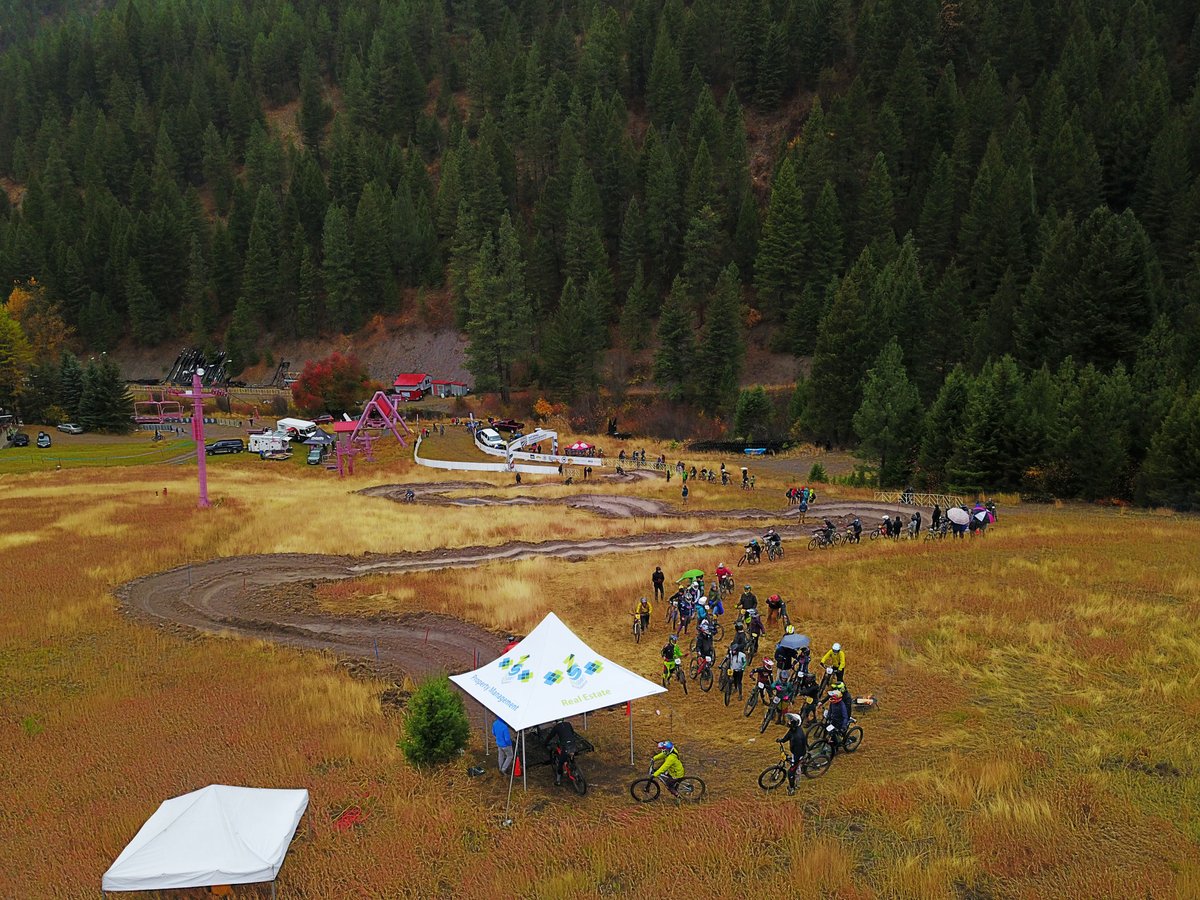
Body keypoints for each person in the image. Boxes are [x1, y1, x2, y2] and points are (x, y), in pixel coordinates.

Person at [777, 712, 809, 795]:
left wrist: (794, 763)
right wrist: (782, 740)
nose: (789, 722)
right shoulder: (793, 729)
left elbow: (798, 753)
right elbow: (789, 735)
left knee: (791, 772)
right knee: (795, 767)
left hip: (798, 754)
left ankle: (792, 787)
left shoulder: (798, 737)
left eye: (791, 721)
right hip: (795, 752)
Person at [545, 719, 579, 785]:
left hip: (566, 747)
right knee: (571, 758)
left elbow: (550, 736)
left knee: (560, 762)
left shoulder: (556, 727)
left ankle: (558, 781)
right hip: (573, 744)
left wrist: (545, 743)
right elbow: (572, 732)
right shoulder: (568, 724)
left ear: (556, 721)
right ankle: (575, 771)